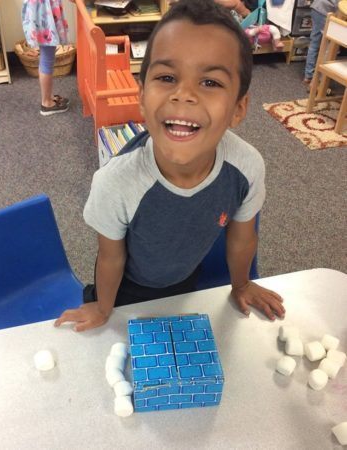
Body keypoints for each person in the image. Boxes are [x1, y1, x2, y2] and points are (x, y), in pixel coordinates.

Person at [55, 0, 285, 332]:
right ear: (142, 97)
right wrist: (104, 309)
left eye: (210, 82)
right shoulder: (116, 181)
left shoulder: (246, 166)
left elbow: (242, 237)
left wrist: (242, 285)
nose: (184, 95)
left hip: (188, 282)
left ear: (238, 108)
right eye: (166, 77)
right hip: (126, 292)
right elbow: (110, 257)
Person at [22, 0, 75, 116]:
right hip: (44, 14)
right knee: (47, 58)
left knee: (46, 57)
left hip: (41, 10)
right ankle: (47, 103)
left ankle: (48, 97)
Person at [303, 0, 338, 88]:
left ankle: (308, 76)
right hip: (326, 11)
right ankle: (318, 80)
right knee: (329, 47)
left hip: (316, 8)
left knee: (314, 43)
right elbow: (339, 6)